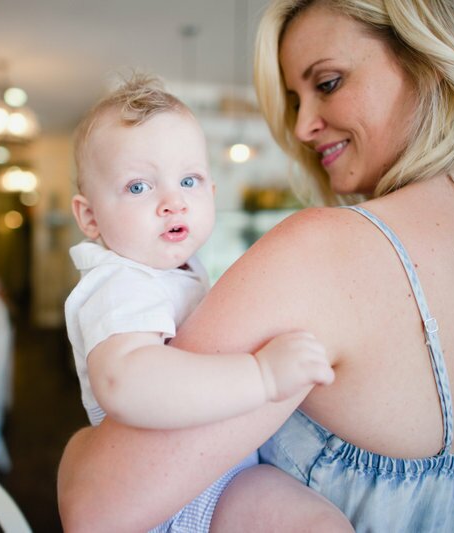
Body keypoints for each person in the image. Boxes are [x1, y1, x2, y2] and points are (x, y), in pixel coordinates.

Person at [57, 1, 454, 531]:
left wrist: (73, 457)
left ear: (430, 61)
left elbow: (95, 510)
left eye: (329, 82)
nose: (302, 126)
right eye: (296, 99)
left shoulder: (322, 252)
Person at [65, 73, 345, 532]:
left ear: (212, 194)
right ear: (90, 217)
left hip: (214, 477)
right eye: (139, 187)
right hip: (169, 496)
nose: (172, 202)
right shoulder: (118, 281)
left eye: (189, 181)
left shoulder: (180, 270)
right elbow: (126, 380)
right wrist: (261, 375)